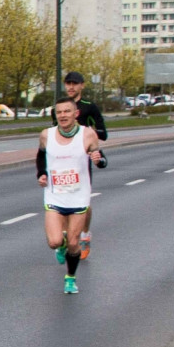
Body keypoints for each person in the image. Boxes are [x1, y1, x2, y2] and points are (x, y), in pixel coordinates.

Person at [37, 96, 107, 295]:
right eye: (59, 112)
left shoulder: (87, 135)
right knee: (54, 242)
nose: (63, 115)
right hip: (54, 195)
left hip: (78, 196)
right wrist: (41, 173)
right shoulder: (46, 135)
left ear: (76, 114)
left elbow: (101, 160)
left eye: (67, 111)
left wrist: (98, 160)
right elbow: (41, 155)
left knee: (74, 243)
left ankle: (70, 278)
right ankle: (61, 247)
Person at [51, 71, 108, 259]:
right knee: (63, 200)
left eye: (75, 83)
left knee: (83, 202)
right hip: (62, 160)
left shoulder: (89, 107)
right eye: (68, 83)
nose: (71, 87)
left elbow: (103, 133)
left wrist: (89, 136)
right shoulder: (58, 108)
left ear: (82, 85)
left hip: (82, 159)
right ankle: (67, 240)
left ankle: (84, 235)